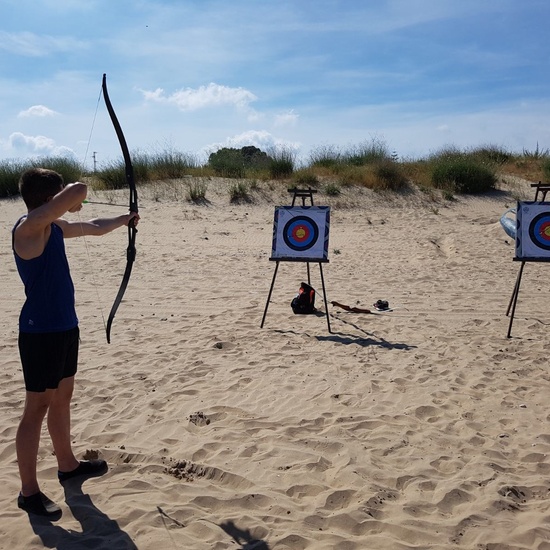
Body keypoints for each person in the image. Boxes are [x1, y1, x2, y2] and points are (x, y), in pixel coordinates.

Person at [12, 167, 140, 518]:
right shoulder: (28, 229)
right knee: (35, 409)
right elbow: (79, 190)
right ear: (47, 200)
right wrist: (70, 199)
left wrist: (124, 219)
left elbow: (94, 227)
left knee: (63, 398)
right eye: (59, 200)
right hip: (40, 333)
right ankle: (28, 492)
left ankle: (67, 465)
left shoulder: (54, 227)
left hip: (66, 327)